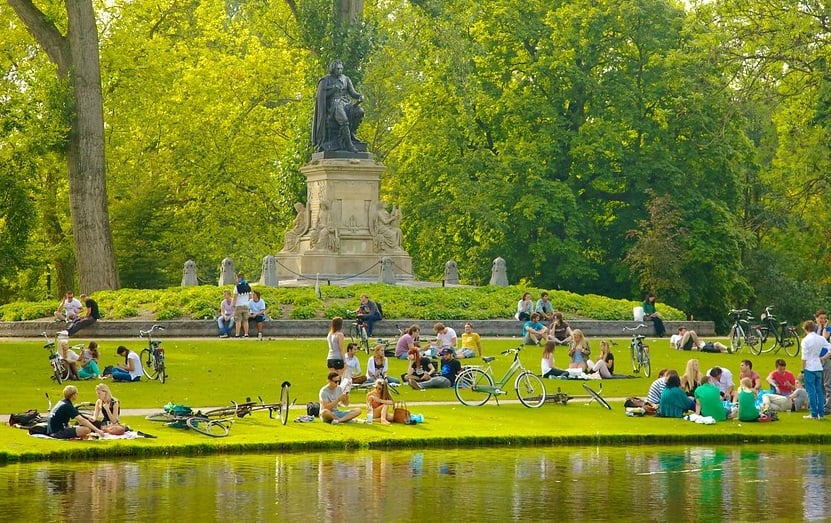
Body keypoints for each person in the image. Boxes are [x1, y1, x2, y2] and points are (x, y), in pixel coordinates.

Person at [312, 59, 365, 153]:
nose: (340, 71)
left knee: (360, 111)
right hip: (334, 104)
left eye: (341, 69)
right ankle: (349, 145)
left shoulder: (346, 79)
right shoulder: (326, 80)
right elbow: (320, 97)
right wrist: (332, 91)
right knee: (344, 120)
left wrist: (360, 96)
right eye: (338, 69)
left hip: (345, 103)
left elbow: (353, 93)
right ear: (333, 69)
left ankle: (351, 133)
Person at [801, 319, 831, 420]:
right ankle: (821, 414)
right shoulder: (820, 339)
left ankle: (813, 413)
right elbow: (829, 348)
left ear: (805, 329)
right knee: (819, 390)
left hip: (809, 367)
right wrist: (824, 357)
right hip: (818, 366)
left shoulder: (805, 340)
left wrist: (803, 369)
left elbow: (804, 357)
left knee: (811, 391)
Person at [815, 309, 831, 414]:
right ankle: (820, 405)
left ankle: (828, 406)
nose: (823, 320)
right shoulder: (814, 329)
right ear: (816, 319)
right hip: (816, 360)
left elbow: (823, 339)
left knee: (827, 383)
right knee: (818, 384)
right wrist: (819, 328)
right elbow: (815, 340)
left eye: (825, 318)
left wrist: (824, 327)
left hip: (825, 358)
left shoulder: (828, 329)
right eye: (821, 318)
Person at [232, 273, 252, 338]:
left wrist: (233, 305)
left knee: (238, 321)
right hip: (246, 305)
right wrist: (246, 301)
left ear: (239, 278)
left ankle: (237, 334)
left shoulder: (237, 287)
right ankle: (246, 333)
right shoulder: (248, 286)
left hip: (238, 305)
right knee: (246, 320)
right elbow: (250, 296)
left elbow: (235, 297)